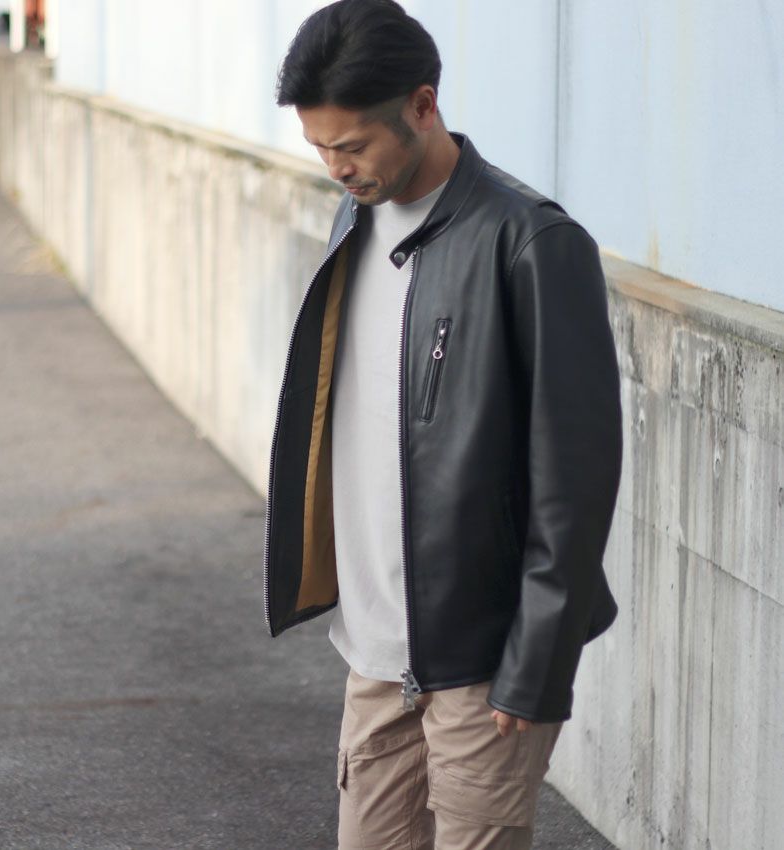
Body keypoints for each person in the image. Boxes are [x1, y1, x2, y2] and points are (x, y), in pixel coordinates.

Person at [263, 1, 623, 847]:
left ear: (423, 105)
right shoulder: (355, 218)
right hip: (376, 658)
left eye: (352, 146)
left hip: (482, 668)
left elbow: (576, 480)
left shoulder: (530, 242)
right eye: (320, 147)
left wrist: (536, 667)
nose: (336, 168)